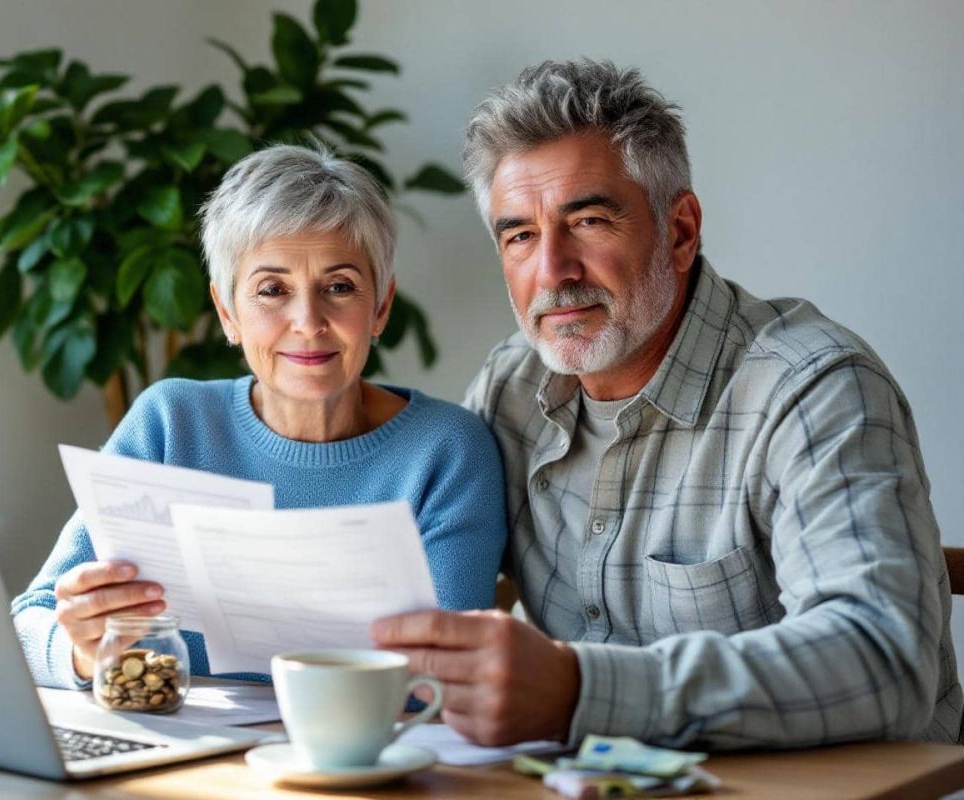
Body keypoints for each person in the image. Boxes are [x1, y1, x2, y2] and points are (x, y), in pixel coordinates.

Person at [371, 59, 963, 750]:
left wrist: (578, 692)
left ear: (680, 230)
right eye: (520, 236)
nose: (553, 271)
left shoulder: (815, 388)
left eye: (588, 220)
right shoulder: (511, 388)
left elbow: (884, 661)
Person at [12, 144, 507, 686]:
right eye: (272, 290)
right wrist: (84, 651)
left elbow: (442, 681)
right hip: (175, 755)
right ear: (228, 314)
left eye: (339, 287)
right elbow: (28, 623)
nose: (308, 321)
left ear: (381, 307)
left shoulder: (447, 451)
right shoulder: (170, 424)